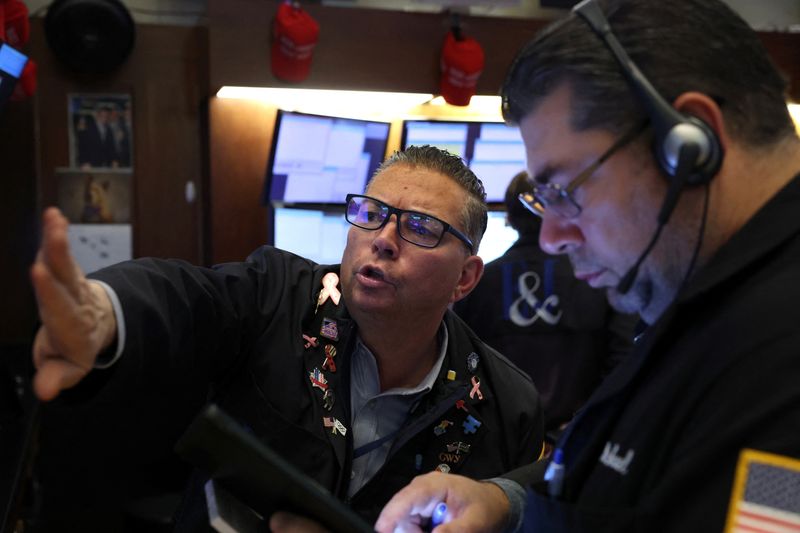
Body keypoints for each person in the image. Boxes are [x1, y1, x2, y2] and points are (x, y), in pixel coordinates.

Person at [376, 0, 800, 531]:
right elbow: (638, 469)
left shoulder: (779, 359)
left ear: (690, 147)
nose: (551, 237)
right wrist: (504, 501)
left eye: (564, 190)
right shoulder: (715, 301)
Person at [30, 145, 545, 529]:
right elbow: (187, 296)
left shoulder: (507, 405)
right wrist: (104, 313)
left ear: (466, 278)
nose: (384, 241)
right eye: (371, 214)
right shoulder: (277, 295)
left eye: (421, 228)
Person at [454, 171, 636, 436]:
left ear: (510, 218)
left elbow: (461, 367)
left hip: (497, 439)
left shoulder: (475, 284)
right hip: (577, 437)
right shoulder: (600, 279)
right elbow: (623, 359)